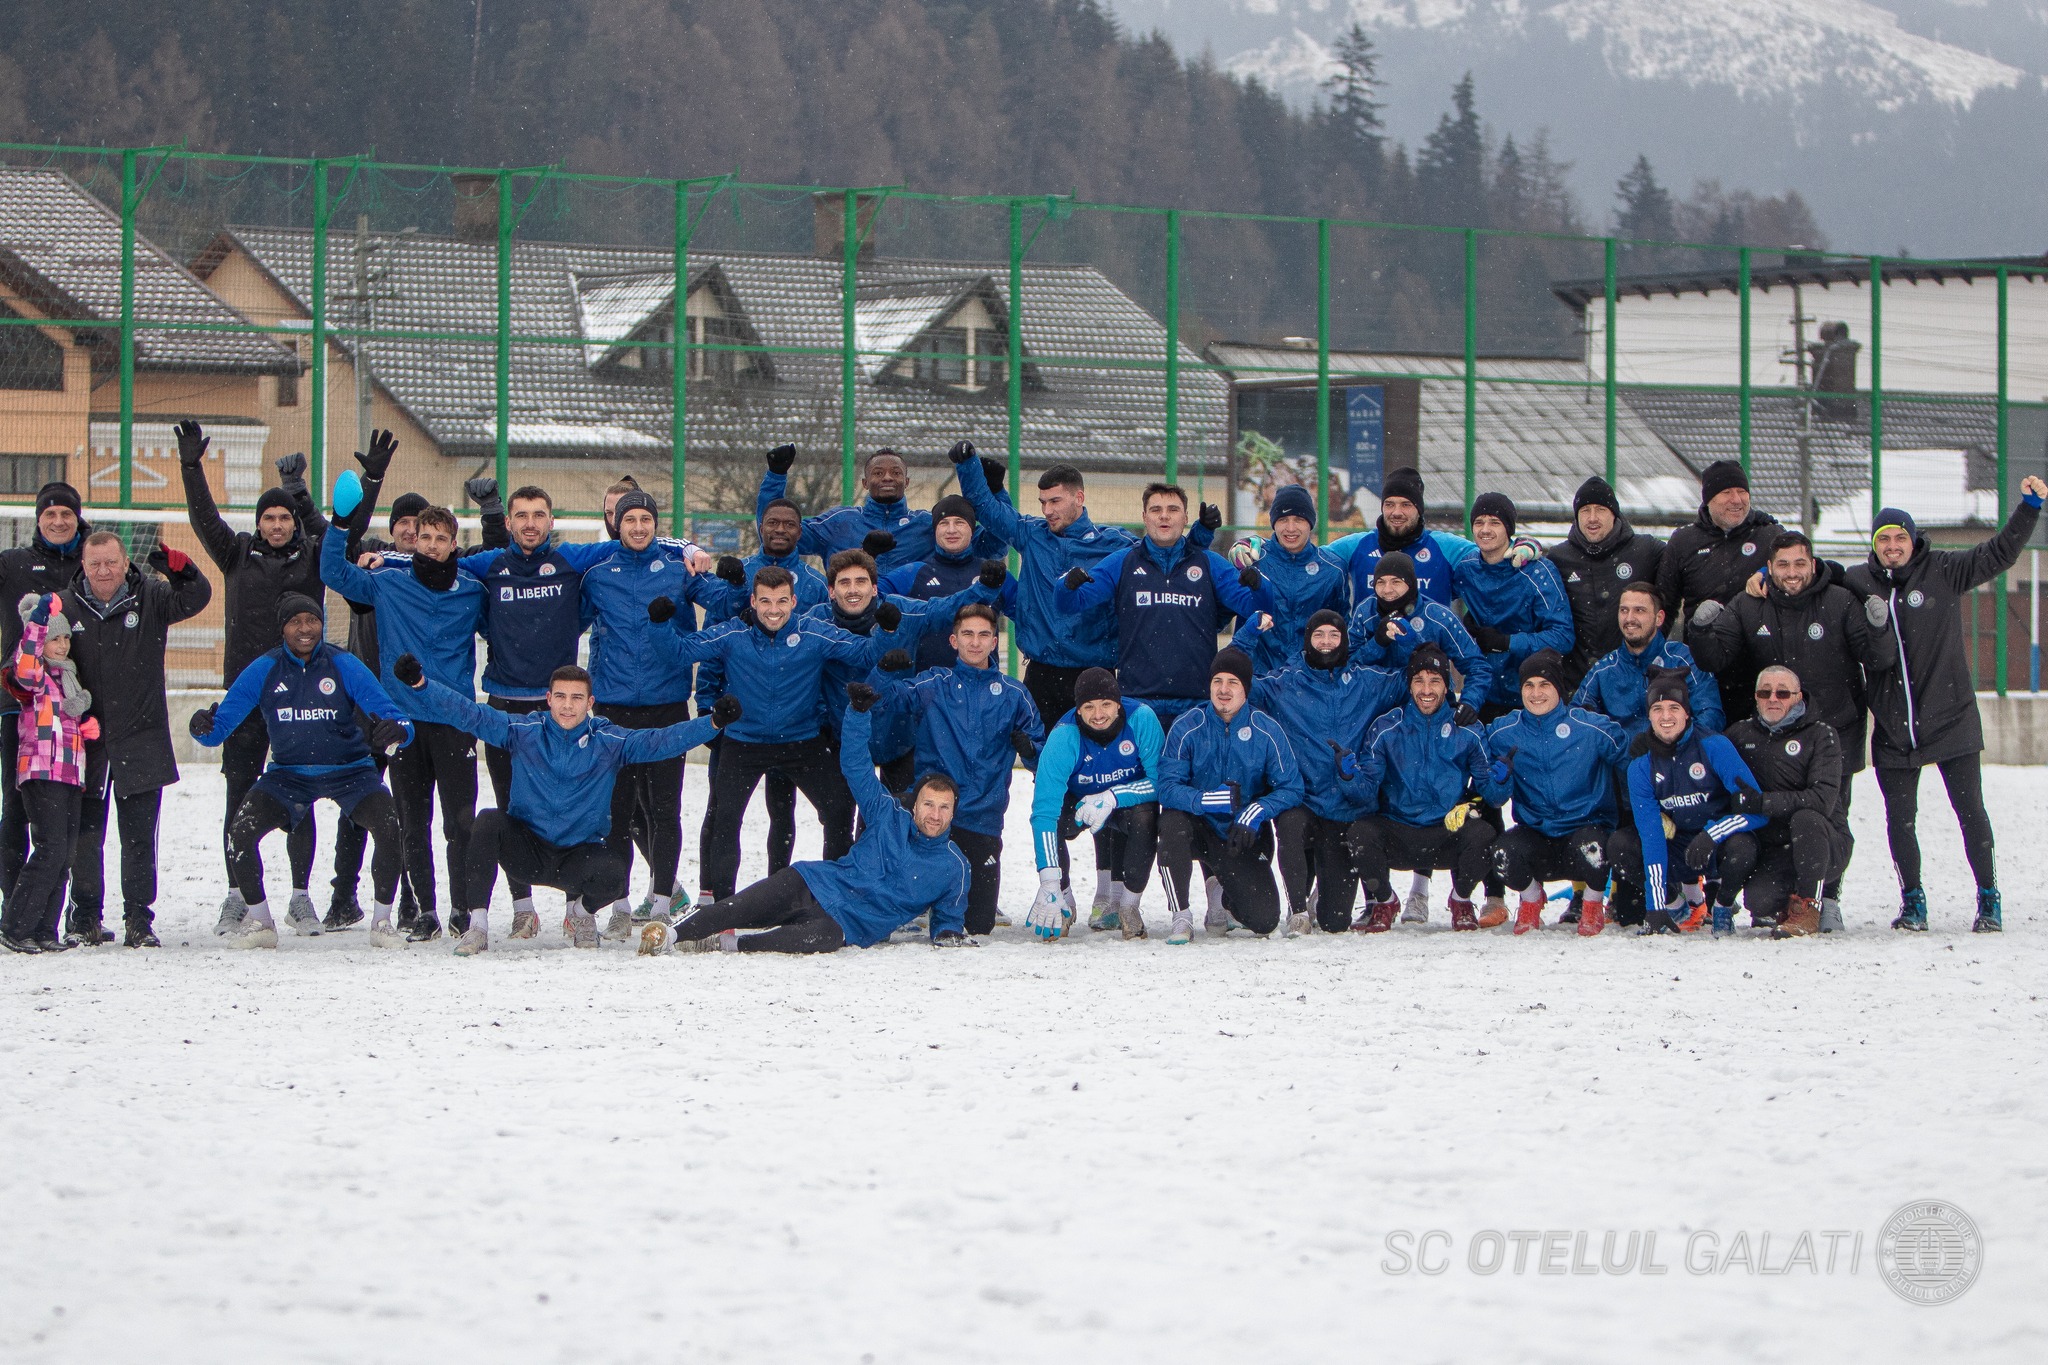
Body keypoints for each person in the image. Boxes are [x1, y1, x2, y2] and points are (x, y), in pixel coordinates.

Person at [392, 659, 729, 953]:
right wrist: (422, 686)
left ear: (590, 703)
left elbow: (660, 741)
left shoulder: (608, 741)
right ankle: (477, 926)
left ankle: (580, 916)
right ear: (549, 699)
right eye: (562, 697)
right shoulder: (523, 730)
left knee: (615, 871)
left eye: (577, 698)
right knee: (487, 821)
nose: (569, 706)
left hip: (577, 858)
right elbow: (469, 713)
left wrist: (711, 723)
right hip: (527, 851)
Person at [1845, 484, 2045, 932]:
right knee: (1900, 820)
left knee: (1970, 810)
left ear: (1913, 541)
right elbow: (1811, 578)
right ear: (1874, 546)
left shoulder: (1943, 570)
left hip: (1952, 718)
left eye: (1900, 538)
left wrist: (2029, 508)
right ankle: (1913, 901)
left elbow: (2000, 552)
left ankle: (1988, 898)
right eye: (1883, 540)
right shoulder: (1857, 582)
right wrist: (1763, 575)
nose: (1892, 547)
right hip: (1894, 728)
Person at [519, 488, 719, 935]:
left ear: (655, 524)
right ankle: (620, 905)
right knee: (617, 813)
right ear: (618, 525)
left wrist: (722, 571)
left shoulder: (678, 570)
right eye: (630, 520)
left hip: (667, 705)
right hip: (611, 710)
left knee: (665, 810)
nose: (638, 527)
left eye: (646, 520)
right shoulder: (598, 573)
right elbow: (569, 620)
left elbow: (722, 600)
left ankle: (663, 901)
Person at [640, 696, 972, 954]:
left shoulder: (954, 866)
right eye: (929, 804)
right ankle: (669, 935)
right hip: (814, 882)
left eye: (944, 808)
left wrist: (947, 931)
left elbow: (948, 916)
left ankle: (730, 945)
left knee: (822, 938)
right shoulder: (889, 815)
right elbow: (856, 768)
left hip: (845, 924)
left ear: (953, 813)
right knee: (735, 909)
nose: (935, 814)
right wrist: (857, 714)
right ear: (915, 805)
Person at [1688, 529, 1895, 925]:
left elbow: (1877, 657)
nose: (1792, 572)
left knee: (1828, 815)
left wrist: (1878, 628)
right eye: (1782, 564)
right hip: (1773, 735)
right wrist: (1699, 630)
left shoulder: (1839, 601)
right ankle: (1777, 890)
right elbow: (1715, 658)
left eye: (1800, 563)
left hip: (1833, 731)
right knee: (1776, 814)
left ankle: (1826, 899)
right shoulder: (1750, 604)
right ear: (1768, 568)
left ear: (1813, 564)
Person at [177, 420, 337, 928]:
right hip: (247, 695)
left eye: (284, 517)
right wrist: (190, 467)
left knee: (299, 794)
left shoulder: (314, 557)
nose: (276, 524)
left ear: (294, 521)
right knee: (239, 793)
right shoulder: (237, 554)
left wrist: (301, 494)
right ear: (258, 521)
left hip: (302, 694)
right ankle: (237, 894)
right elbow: (204, 519)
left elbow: (338, 540)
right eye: (268, 517)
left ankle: (298, 894)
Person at [186, 593, 414, 947]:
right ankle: (261, 923)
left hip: (351, 771)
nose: (305, 629)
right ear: (283, 629)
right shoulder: (264, 668)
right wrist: (199, 726)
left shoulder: (344, 664)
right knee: (239, 835)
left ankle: (382, 924)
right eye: (296, 622)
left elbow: (391, 712)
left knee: (389, 826)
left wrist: (400, 729)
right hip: (288, 774)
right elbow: (217, 729)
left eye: (312, 621)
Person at [663, 565, 898, 904]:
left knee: (839, 807)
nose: (774, 610)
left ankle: (831, 899)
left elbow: (864, 652)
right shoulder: (733, 634)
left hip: (801, 742)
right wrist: (660, 625)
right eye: (766, 602)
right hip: (745, 742)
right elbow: (680, 652)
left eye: (782, 601)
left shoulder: (814, 633)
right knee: (725, 818)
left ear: (794, 601)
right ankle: (723, 906)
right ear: (754, 602)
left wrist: (887, 631)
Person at [321, 481, 486, 942]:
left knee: (460, 822)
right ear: (413, 539)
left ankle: (462, 909)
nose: (432, 546)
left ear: (454, 543)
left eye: (440, 538)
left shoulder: (473, 590)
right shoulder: (390, 583)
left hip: (454, 721)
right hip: (405, 724)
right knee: (414, 821)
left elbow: (505, 626)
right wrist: (340, 521)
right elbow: (333, 572)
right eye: (424, 536)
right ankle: (426, 912)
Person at [60, 532, 211, 946]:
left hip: (140, 736)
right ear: (84, 566)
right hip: (85, 740)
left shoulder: (152, 599)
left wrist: (181, 569)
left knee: (139, 836)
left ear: (126, 563)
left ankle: (139, 920)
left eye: (111, 563)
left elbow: (198, 596)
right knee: (86, 835)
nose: (104, 571)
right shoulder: (64, 605)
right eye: (95, 564)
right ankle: (85, 915)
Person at [868, 604, 1042, 937]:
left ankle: (946, 894)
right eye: (967, 634)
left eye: (983, 635)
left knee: (979, 925)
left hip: (982, 818)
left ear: (995, 642)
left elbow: (1040, 757)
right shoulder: (933, 684)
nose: (975, 643)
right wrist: (884, 670)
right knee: (898, 905)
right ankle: (915, 892)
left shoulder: (1014, 694)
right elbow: (883, 700)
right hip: (933, 818)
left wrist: (1030, 750)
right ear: (953, 640)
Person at [691, 497, 829, 908]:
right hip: (740, 723)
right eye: (773, 522)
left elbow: (818, 656)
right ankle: (709, 893)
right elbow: (717, 642)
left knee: (781, 810)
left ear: (800, 531)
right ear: (760, 526)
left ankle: (776, 889)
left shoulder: (814, 584)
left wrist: (817, 713)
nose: (781, 529)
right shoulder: (741, 573)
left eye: (789, 523)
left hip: (794, 724)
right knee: (720, 809)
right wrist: (706, 707)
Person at [1054, 483, 1272, 726]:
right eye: (1156, 509)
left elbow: (1256, 608)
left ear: (1186, 517)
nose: (1164, 516)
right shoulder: (1122, 562)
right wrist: (1066, 586)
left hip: (1197, 703)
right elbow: (1070, 603)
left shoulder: (1209, 563)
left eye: (1173, 509)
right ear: (1144, 517)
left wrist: (1259, 585)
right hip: (1137, 702)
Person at [803, 543, 1006, 792]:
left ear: (875, 588)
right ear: (831, 591)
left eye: (861, 581)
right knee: (838, 823)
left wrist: (983, 589)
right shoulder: (816, 621)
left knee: (901, 820)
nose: (853, 590)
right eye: (844, 583)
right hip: (842, 738)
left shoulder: (899, 611)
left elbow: (941, 610)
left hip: (898, 737)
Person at [1251, 609, 1406, 935]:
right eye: (1318, 635)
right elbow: (1237, 684)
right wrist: (1248, 636)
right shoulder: (1286, 683)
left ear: (1344, 640)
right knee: (1290, 824)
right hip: (1304, 800)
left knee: (1336, 921)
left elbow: (1418, 678)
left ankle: (1325, 887)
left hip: (1346, 806)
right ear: (1307, 640)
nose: (1325, 642)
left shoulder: (1366, 681)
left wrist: (1398, 636)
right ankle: (1297, 911)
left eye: (1333, 635)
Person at [1339, 644, 1509, 933]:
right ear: (1409, 685)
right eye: (1419, 681)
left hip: (1446, 832)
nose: (1426, 689)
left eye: (1435, 681)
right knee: (1359, 833)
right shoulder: (1387, 728)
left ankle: (1461, 899)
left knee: (1484, 835)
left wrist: (1502, 778)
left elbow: (1493, 796)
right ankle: (1385, 901)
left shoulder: (1467, 730)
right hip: (1399, 830)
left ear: (1448, 686)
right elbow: (1365, 793)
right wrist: (1348, 776)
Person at [1153, 649, 1303, 944]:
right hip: (1199, 827)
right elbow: (1167, 787)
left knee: (1264, 920)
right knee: (1170, 823)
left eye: (1233, 682)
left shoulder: (1266, 730)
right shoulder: (1187, 726)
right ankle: (1181, 914)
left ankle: (1223, 891)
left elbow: (1292, 787)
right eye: (1217, 681)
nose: (1223, 690)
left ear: (1245, 688)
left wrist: (1256, 810)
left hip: (1241, 834)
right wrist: (1206, 800)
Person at [1481, 650, 1630, 936]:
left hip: (1584, 832)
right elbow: (1491, 792)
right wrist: (1497, 781)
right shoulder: (1503, 732)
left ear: (1559, 689)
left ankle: (1592, 903)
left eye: (1544, 685)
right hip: (1537, 835)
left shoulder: (1590, 727)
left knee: (1595, 849)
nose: (1536, 693)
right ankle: (1532, 898)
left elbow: (1630, 762)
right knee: (1502, 854)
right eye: (1529, 686)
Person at [1610, 670, 1766, 935]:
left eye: (1674, 707)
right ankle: (1677, 904)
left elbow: (1759, 810)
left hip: (1718, 840)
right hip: (1679, 844)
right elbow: (1651, 836)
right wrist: (1656, 906)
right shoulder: (1640, 767)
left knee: (1744, 847)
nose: (1666, 716)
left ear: (1687, 713)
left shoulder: (1715, 746)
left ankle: (1722, 905)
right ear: (1648, 716)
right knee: (1621, 845)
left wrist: (1712, 834)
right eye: (1657, 709)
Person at [0, 480, 88, 913]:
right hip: (20, 709)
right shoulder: (13, 563)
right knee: (17, 810)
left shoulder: (92, 566)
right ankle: (15, 905)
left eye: (66, 514)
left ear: (77, 519)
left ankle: (70, 912)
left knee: (72, 822)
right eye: (49, 514)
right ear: (38, 519)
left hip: (74, 711)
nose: (57, 521)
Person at [1027, 667, 1164, 940]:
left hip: (1125, 803)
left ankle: (1129, 906)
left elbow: (1161, 782)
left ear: (1119, 703)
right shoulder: (1063, 736)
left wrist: (1113, 797)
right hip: (1078, 805)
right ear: (1078, 710)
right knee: (1053, 822)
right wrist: (1050, 882)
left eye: (1106, 705)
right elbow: (1043, 812)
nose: (1098, 714)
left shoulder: (1141, 719)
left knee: (1146, 818)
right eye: (1088, 707)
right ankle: (1064, 900)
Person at [0, 593, 96, 953]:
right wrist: (38, 623)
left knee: (65, 855)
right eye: (55, 638)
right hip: (42, 772)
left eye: (65, 637)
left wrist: (83, 731)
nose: (62, 644)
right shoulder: (35, 678)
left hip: (70, 775)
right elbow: (25, 662)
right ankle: (14, 925)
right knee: (50, 849)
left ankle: (43, 929)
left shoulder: (67, 678)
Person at [1722, 665, 1848, 938]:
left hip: (1824, 842)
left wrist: (1764, 802)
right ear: (1755, 697)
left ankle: (1809, 906)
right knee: (1759, 902)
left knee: (1806, 818)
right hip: (1776, 848)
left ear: (1798, 697)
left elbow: (1821, 801)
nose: (1773, 699)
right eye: (1765, 692)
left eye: (1782, 693)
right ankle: (1785, 905)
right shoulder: (1740, 735)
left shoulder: (1821, 735)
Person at [755, 443, 1004, 577]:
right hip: (849, 631)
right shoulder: (840, 521)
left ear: (906, 482)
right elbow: (776, 533)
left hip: (909, 634)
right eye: (878, 473)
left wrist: (996, 492)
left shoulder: (928, 525)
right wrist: (776, 477)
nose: (887, 478)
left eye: (896, 473)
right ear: (864, 483)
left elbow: (994, 545)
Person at [1655, 459, 1783, 711]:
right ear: (1708, 499)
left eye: (1742, 492)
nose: (1737, 499)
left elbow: (1801, 571)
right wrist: (1655, 656)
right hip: (1703, 670)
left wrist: (1764, 573)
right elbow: (1663, 605)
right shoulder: (1684, 541)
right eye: (1726, 492)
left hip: (1758, 668)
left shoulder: (1769, 534)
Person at [1452, 493, 1574, 720]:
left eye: (1494, 522)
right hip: (1483, 693)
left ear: (1508, 529)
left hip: (1531, 694)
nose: (1485, 529)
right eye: (1479, 522)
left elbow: (1563, 636)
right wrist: (1460, 628)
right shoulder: (1466, 569)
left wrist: (1507, 642)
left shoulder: (1537, 571)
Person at [1545, 475, 1664, 695]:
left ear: (1614, 514)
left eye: (1600, 509)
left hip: (1636, 681)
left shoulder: (1646, 550)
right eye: (1585, 510)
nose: (1592, 518)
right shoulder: (1559, 558)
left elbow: (1682, 560)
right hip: (1577, 683)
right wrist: (1527, 544)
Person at [879, 493, 1019, 671]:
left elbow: (1029, 615)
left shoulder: (992, 575)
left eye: (959, 522)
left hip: (980, 689)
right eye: (944, 523)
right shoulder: (914, 572)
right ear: (935, 530)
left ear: (973, 529)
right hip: (927, 687)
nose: (951, 530)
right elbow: (871, 596)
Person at [1346, 551, 1490, 721]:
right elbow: (1348, 668)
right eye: (1380, 582)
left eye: (1396, 582)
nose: (1387, 590)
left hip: (1431, 714)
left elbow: (1477, 666)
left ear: (1411, 584)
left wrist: (1470, 702)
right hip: (1378, 713)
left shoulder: (1437, 616)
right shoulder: (1366, 612)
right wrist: (1378, 643)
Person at [1224, 484, 1350, 676]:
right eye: (1283, 519)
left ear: (1310, 523)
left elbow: (1342, 627)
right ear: (1274, 522)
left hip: (1310, 680)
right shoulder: (1253, 560)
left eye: (1299, 519)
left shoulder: (1332, 569)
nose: (1290, 528)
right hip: (1259, 678)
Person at [1572, 583, 1724, 738]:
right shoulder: (1604, 670)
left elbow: (1711, 716)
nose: (1629, 618)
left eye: (1639, 610)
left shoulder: (1684, 659)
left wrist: (1668, 747)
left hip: (1677, 758)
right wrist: (1619, 750)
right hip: (1624, 760)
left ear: (1659, 618)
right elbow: (1577, 721)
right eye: (1624, 610)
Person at [1325, 467, 1476, 609]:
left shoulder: (1446, 548)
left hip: (1428, 637)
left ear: (1419, 509)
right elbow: (1314, 564)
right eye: (1390, 504)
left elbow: (1490, 566)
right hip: (1372, 637)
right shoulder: (1357, 546)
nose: (1396, 512)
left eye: (1405, 504)